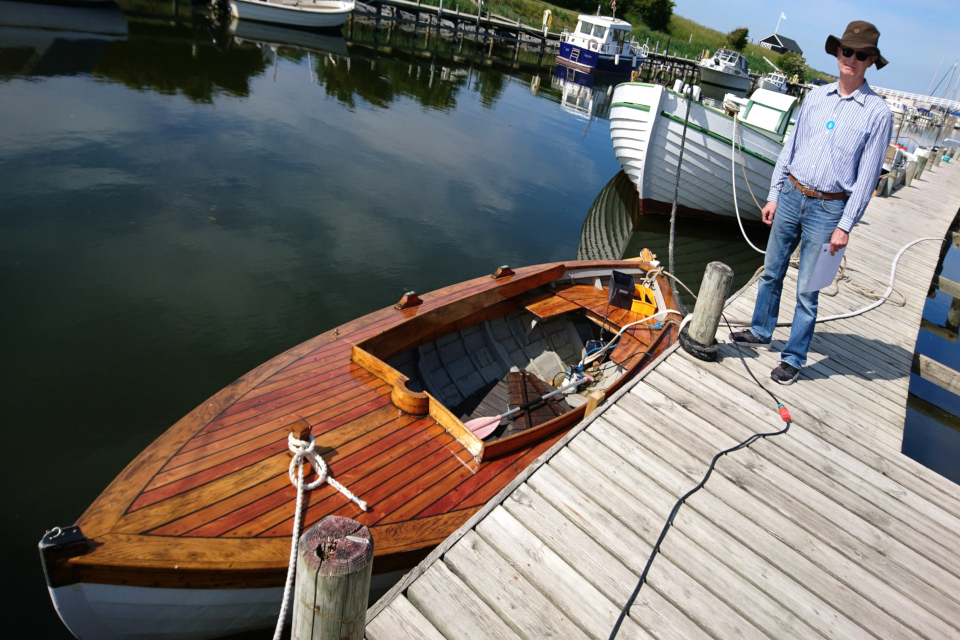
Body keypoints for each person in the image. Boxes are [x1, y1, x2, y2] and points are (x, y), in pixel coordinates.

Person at [730, 20, 893, 385]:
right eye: (846, 51)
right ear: (838, 52)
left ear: (870, 61)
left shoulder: (878, 113)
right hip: (791, 194)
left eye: (860, 54)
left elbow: (867, 178)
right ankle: (760, 329)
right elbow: (791, 147)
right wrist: (774, 194)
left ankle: (794, 356)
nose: (851, 58)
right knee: (771, 272)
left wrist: (845, 226)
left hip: (829, 208)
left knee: (808, 290)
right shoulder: (816, 97)